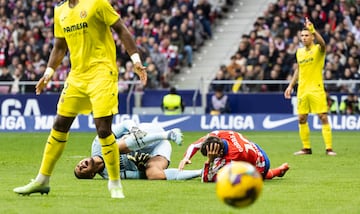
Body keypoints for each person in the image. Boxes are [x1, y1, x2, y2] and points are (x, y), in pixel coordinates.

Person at [13, 0, 147, 199]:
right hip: (77, 76)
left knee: (103, 128)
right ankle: (42, 180)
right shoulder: (60, 11)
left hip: (102, 72)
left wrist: (135, 60)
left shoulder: (97, 4)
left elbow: (121, 29)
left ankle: (115, 183)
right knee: (60, 124)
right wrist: (48, 73)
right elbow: (59, 47)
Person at [74, 120, 202, 180]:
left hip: (148, 132)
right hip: (158, 148)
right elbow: (139, 176)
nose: (80, 165)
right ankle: (203, 172)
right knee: (153, 174)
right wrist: (141, 167)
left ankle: (169, 134)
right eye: (81, 170)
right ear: (91, 175)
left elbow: (125, 124)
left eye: (77, 165)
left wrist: (134, 129)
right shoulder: (111, 175)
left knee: (113, 149)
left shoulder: (98, 144)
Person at [284, 17, 336, 156]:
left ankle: (329, 148)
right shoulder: (299, 52)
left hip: (316, 88)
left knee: (322, 116)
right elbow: (298, 69)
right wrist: (290, 85)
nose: (304, 38)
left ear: (312, 37)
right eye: (302, 36)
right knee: (301, 118)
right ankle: (306, 148)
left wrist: (313, 29)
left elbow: (324, 44)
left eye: (307, 35)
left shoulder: (318, 49)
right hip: (302, 89)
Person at [178, 130, 289, 182]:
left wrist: (210, 161)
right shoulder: (220, 135)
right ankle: (280, 169)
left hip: (262, 164)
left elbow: (207, 179)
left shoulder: (232, 159)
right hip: (255, 148)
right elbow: (195, 145)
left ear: (219, 153)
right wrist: (186, 157)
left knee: (244, 179)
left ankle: (277, 171)